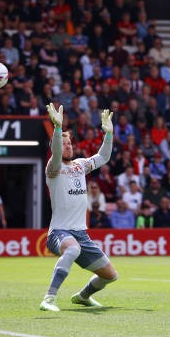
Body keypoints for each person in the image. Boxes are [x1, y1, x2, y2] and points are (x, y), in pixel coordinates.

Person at [39, 103, 118, 312]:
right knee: (72, 249)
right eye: (63, 143)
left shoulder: (80, 165)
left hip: (81, 233)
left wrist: (108, 135)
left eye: (69, 142)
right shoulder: (53, 168)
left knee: (110, 275)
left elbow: (103, 157)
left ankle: (83, 296)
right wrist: (57, 129)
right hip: (59, 232)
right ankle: (49, 298)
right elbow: (56, 152)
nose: (67, 146)